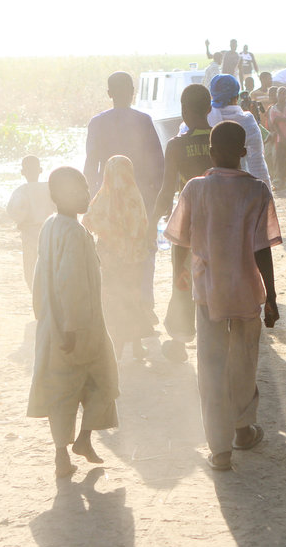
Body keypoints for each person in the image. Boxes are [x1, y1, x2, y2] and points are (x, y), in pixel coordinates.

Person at [164, 121, 282, 471]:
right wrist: (272, 297)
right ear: (244, 152)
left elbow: (179, 242)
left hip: (208, 292)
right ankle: (243, 430)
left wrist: (177, 281)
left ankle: (219, 450)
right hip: (246, 291)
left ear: (211, 153)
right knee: (244, 361)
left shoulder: (195, 189)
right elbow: (263, 250)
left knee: (211, 367)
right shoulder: (258, 190)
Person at [27, 167, 120, 478]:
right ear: (56, 197)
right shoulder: (76, 233)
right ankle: (81, 439)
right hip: (79, 328)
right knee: (104, 381)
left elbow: (41, 275)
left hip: (54, 324)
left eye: (84, 188)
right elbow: (71, 284)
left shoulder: (50, 226)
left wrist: (43, 315)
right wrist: (70, 328)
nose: (84, 195)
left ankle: (64, 453)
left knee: (62, 390)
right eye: (77, 191)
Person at [84, 71, 164, 311]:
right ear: (133, 92)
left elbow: (91, 164)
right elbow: (158, 162)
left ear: (109, 94)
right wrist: (157, 197)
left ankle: (115, 306)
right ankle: (143, 308)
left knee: (111, 248)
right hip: (141, 198)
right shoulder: (143, 120)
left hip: (108, 198)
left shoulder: (98, 122)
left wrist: (91, 198)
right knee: (144, 249)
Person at [152, 84, 214, 363]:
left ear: (183, 111)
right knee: (217, 274)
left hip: (188, 224)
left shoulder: (176, 145)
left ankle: (180, 338)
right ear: (210, 108)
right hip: (220, 221)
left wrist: (150, 222)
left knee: (183, 277)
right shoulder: (221, 138)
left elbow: (167, 192)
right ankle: (217, 332)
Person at [83, 156, 157, 360]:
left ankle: (116, 349)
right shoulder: (134, 196)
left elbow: (87, 221)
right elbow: (141, 227)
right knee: (132, 298)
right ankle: (135, 346)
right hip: (132, 259)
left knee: (113, 301)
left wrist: (108, 234)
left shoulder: (103, 196)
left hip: (109, 258)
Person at [207, 74, 271, 188]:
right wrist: (266, 195)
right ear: (237, 97)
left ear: (212, 95)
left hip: (211, 188)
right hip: (241, 187)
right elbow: (257, 163)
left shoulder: (205, 119)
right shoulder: (247, 121)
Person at [6, 156, 55, 290]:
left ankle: (34, 292)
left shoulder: (21, 190)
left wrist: (20, 221)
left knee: (30, 265)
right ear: (40, 170)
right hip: (48, 229)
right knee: (48, 261)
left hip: (29, 231)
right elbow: (57, 206)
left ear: (22, 172)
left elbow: (13, 210)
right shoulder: (48, 188)